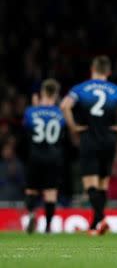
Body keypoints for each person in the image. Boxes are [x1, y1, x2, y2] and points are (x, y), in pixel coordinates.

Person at [60, 55, 117, 236]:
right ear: (108, 72)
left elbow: (65, 105)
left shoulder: (81, 88)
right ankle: (95, 224)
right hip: (109, 139)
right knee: (103, 184)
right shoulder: (116, 90)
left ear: (92, 70)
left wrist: (73, 126)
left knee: (90, 184)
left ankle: (101, 219)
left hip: (89, 137)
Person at [23, 79, 65, 234]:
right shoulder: (60, 113)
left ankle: (31, 213)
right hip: (53, 156)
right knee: (51, 192)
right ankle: (48, 227)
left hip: (35, 155)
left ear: (42, 93)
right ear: (56, 94)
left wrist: (36, 107)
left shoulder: (30, 111)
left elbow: (26, 129)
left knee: (31, 190)